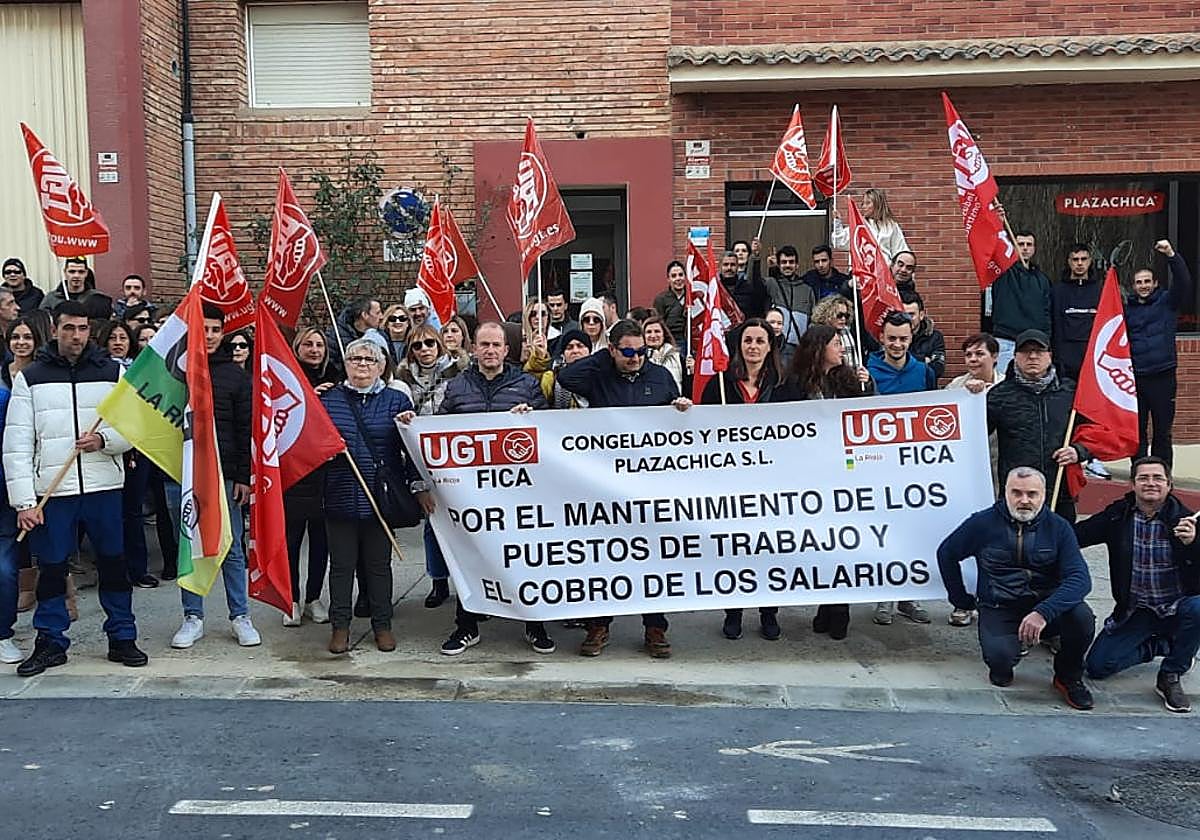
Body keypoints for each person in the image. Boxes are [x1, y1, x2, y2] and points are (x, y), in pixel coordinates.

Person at [3, 300, 146, 675]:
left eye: (83, 328)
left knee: (114, 565)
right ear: (54, 329)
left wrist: (106, 442)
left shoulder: (113, 372)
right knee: (51, 569)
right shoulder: (31, 377)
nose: (77, 335)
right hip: (54, 491)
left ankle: (122, 636)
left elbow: (132, 429)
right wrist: (23, 502)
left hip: (104, 486)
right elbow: (16, 444)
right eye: (69, 328)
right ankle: (50, 641)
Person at [407, 322, 552, 653]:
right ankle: (467, 625)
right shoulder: (457, 387)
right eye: (483, 344)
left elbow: (551, 434)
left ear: (506, 350)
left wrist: (531, 419)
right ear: (474, 349)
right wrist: (412, 428)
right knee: (469, 559)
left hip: (518, 495)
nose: (489, 350)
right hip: (470, 496)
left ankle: (535, 624)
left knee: (525, 558)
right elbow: (436, 435)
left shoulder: (526, 385)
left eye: (496, 345)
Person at [558, 319, 692, 658]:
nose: (635, 358)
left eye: (641, 351)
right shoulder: (598, 374)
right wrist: (603, 357)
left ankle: (655, 626)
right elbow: (565, 377)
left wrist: (681, 409)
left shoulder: (659, 375)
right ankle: (599, 625)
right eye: (627, 351)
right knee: (607, 555)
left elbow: (675, 412)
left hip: (650, 483)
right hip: (607, 483)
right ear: (613, 350)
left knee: (653, 556)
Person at [938, 466, 1096, 709]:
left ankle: (1068, 676)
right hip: (1000, 606)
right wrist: (960, 599)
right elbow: (946, 553)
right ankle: (1012, 650)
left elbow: (1080, 579)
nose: (1024, 500)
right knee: (1000, 670)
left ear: (1043, 495)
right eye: (1017, 493)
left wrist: (1044, 612)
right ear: (1005, 492)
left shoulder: (1059, 528)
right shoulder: (982, 523)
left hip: (1046, 607)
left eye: (1032, 494)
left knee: (1082, 617)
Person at [169, 303, 260, 651]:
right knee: (188, 545)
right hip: (181, 472)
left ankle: (240, 615)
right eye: (203, 329)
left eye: (215, 330)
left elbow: (243, 428)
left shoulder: (235, 375)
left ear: (223, 333)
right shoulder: (176, 369)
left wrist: (242, 476)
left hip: (223, 476)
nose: (208, 336)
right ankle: (193, 617)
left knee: (232, 546)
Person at [320, 338, 421, 653]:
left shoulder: (395, 401)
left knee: (379, 566)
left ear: (380, 366)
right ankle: (340, 627)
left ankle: (382, 625)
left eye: (369, 359)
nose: (361, 364)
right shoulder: (328, 400)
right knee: (341, 566)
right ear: (346, 364)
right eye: (355, 358)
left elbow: (411, 451)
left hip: (380, 498)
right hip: (338, 494)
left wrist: (411, 427)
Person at [1076, 457, 1199, 713]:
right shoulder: (1117, 516)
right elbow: (1077, 536)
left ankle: (1171, 673)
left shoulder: (1188, 521)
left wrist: (1194, 545)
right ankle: (1161, 645)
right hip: (1136, 611)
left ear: (1169, 484)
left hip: (1177, 609)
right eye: (1143, 478)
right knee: (1097, 668)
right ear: (1132, 484)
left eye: (1157, 478)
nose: (1150, 483)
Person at [775, 324, 872, 639]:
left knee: (841, 541)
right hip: (808, 477)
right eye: (835, 343)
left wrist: (866, 387)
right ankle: (826, 602)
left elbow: (864, 418)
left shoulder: (847, 380)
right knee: (819, 543)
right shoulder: (793, 384)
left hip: (844, 473)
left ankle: (839, 607)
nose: (841, 348)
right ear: (819, 348)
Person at [701, 319, 784, 641]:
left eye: (759, 341)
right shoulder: (720, 383)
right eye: (747, 340)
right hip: (729, 482)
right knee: (734, 550)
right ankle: (733, 611)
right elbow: (700, 427)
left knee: (769, 550)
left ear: (769, 346)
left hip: (772, 483)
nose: (753, 346)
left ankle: (769, 613)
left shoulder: (783, 384)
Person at [866, 311, 935, 625]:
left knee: (912, 533)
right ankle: (884, 597)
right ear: (882, 338)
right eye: (891, 338)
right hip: (877, 466)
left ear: (912, 337)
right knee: (882, 534)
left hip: (913, 467)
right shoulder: (868, 369)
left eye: (903, 338)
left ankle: (909, 597)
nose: (897, 344)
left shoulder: (923, 371)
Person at [987, 329, 1087, 523]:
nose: (1032, 356)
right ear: (1015, 356)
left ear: (1050, 355)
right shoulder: (999, 395)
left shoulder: (1071, 392)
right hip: (1018, 492)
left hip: (1060, 490)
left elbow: (1093, 429)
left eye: (1039, 351)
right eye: (1025, 351)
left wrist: (1080, 451)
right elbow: (974, 436)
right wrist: (971, 398)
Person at [282, 328, 338, 627]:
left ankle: (313, 598)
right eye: (308, 344)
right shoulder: (287, 377)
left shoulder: (336, 378)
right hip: (295, 472)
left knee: (321, 541)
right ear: (297, 347)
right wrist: (307, 400)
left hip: (326, 473)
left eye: (320, 344)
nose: (315, 349)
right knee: (291, 541)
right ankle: (290, 598)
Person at [1126, 240, 1193, 467]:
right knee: (1137, 433)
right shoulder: (1126, 309)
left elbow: (1184, 282)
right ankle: (1139, 473)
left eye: (1147, 281)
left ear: (1155, 283)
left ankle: (1163, 475)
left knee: (1162, 433)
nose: (1143, 285)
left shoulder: (1167, 302)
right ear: (1133, 286)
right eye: (1138, 282)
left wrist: (1172, 255)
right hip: (1136, 378)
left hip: (1163, 376)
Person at [988, 224, 1052, 373]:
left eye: (1029, 244)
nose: (1025, 248)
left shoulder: (1042, 280)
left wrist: (1046, 340)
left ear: (1034, 248)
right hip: (1006, 342)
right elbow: (992, 248)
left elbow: (1046, 312)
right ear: (1013, 247)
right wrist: (997, 220)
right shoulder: (1003, 272)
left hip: (1033, 345)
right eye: (1020, 244)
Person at [1051, 243, 1100, 383]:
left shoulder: (1101, 291)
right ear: (1069, 262)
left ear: (1090, 261)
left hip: (1093, 359)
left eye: (1083, 259)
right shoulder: (1057, 291)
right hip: (1064, 362)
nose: (1079, 263)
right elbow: (1053, 323)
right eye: (1075, 259)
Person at [832, 188, 910, 262]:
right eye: (863, 204)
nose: (863, 207)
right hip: (863, 272)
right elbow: (839, 242)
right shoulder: (859, 225)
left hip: (884, 271)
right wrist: (837, 223)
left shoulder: (891, 226)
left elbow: (900, 251)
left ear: (877, 204)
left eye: (868, 203)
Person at [765, 245, 816, 355]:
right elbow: (753, 285)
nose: (787, 265)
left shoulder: (807, 290)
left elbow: (813, 320)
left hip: (799, 349)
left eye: (791, 262)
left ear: (797, 265)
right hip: (776, 347)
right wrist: (755, 257)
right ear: (778, 265)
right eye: (784, 262)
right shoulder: (771, 284)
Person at [40, 258, 113, 318]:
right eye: (72, 271)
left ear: (86, 273)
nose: (76, 275)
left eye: (81, 272)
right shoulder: (51, 298)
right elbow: (42, 322)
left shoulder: (98, 298)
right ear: (65, 272)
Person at [328, 296, 384, 366]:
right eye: (378, 313)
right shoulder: (335, 336)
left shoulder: (381, 335)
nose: (382, 317)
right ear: (365, 315)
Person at [902, 290, 946, 380]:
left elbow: (938, 369)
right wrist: (923, 360)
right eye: (903, 314)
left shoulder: (935, 337)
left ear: (921, 315)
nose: (907, 319)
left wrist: (902, 362)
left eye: (911, 314)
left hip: (926, 391)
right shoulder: (892, 337)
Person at [810, 294, 860, 369]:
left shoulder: (846, 332)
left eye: (846, 316)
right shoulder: (816, 333)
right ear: (828, 314)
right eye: (839, 315)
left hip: (847, 376)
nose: (843, 319)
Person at [719, 249, 768, 318]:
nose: (729, 268)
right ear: (720, 267)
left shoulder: (747, 287)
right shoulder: (715, 288)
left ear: (737, 267)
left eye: (732, 265)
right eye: (725, 265)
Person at [642, 315, 682, 391]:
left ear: (664, 334)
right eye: (648, 332)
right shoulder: (639, 358)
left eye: (657, 331)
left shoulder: (678, 357)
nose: (653, 335)